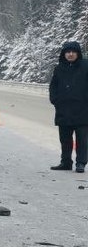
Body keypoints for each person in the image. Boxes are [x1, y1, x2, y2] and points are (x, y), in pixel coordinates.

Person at [48, 39, 88, 172]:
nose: (70, 54)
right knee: (65, 139)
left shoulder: (85, 66)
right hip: (63, 110)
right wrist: (55, 100)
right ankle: (66, 162)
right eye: (68, 52)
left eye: (73, 52)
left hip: (82, 110)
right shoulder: (59, 68)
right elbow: (53, 86)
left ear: (78, 53)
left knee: (82, 140)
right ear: (64, 54)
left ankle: (81, 163)